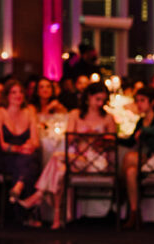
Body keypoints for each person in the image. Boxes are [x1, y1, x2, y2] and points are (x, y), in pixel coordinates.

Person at [22, 81, 116, 228]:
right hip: (77, 158)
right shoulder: (75, 114)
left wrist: (99, 139)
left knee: (56, 157)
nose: (100, 103)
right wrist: (82, 135)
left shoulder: (108, 118)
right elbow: (69, 138)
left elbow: (112, 142)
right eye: (97, 99)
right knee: (60, 170)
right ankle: (58, 218)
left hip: (96, 161)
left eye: (103, 100)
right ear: (88, 98)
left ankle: (39, 195)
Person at [119, 85, 154, 229]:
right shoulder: (140, 121)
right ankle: (134, 212)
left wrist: (145, 132)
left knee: (130, 158)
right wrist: (113, 138)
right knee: (130, 171)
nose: (139, 104)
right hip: (147, 160)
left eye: (142, 100)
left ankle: (120, 191)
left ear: (152, 102)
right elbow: (130, 141)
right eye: (137, 101)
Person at [0, 78, 41, 206]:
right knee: (29, 162)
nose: (18, 95)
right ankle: (25, 208)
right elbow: (0, 144)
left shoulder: (29, 112)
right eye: (14, 92)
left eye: (21, 92)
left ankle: (18, 188)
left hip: (22, 156)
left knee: (28, 159)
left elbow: (36, 141)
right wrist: (20, 149)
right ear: (7, 95)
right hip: (2, 156)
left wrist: (29, 146)